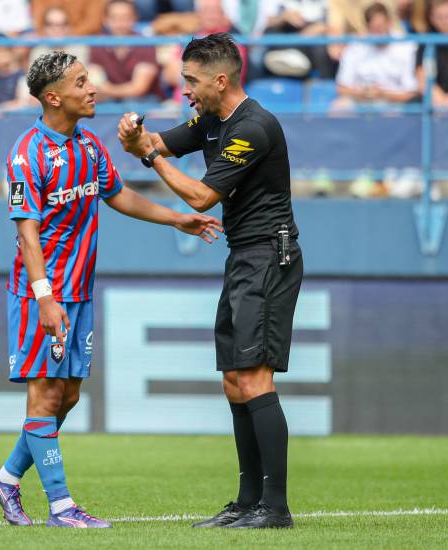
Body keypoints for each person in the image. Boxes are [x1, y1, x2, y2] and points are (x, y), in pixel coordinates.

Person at [0, 51, 223, 528]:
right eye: (80, 82)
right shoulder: (27, 153)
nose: (92, 88)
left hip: (79, 293)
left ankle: (7, 480)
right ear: (53, 97)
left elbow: (117, 195)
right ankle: (61, 506)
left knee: (67, 397)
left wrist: (179, 219)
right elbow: (26, 233)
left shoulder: (89, 146)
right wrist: (44, 297)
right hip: (42, 295)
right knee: (44, 398)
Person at [118, 33, 303, 529]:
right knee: (232, 380)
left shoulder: (253, 128)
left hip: (269, 255)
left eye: (192, 81)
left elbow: (201, 198)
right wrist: (140, 140)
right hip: (244, 254)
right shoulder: (212, 121)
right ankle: (246, 502)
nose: (186, 90)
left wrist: (148, 158)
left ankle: (275, 507)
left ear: (221, 80)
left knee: (254, 377)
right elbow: (161, 144)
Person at [333, 2, 419, 107]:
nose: (378, 33)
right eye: (373, 29)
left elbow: (411, 93)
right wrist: (363, 93)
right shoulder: (355, 47)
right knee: (339, 107)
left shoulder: (407, 47)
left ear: (389, 23)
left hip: (394, 104)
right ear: (367, 27)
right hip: (361, 101)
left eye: (380, 27)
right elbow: (342, 88)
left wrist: (384, 94)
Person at [89, 0, 163, 102]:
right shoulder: (97, 44)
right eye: (114, 18)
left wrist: (107, 89)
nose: (120, 23)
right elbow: (94, 86)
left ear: (135, 18)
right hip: (110, 101)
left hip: (144, 101)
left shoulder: (146, 44)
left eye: (126, 17)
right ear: (105, 20)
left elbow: (139, 88)